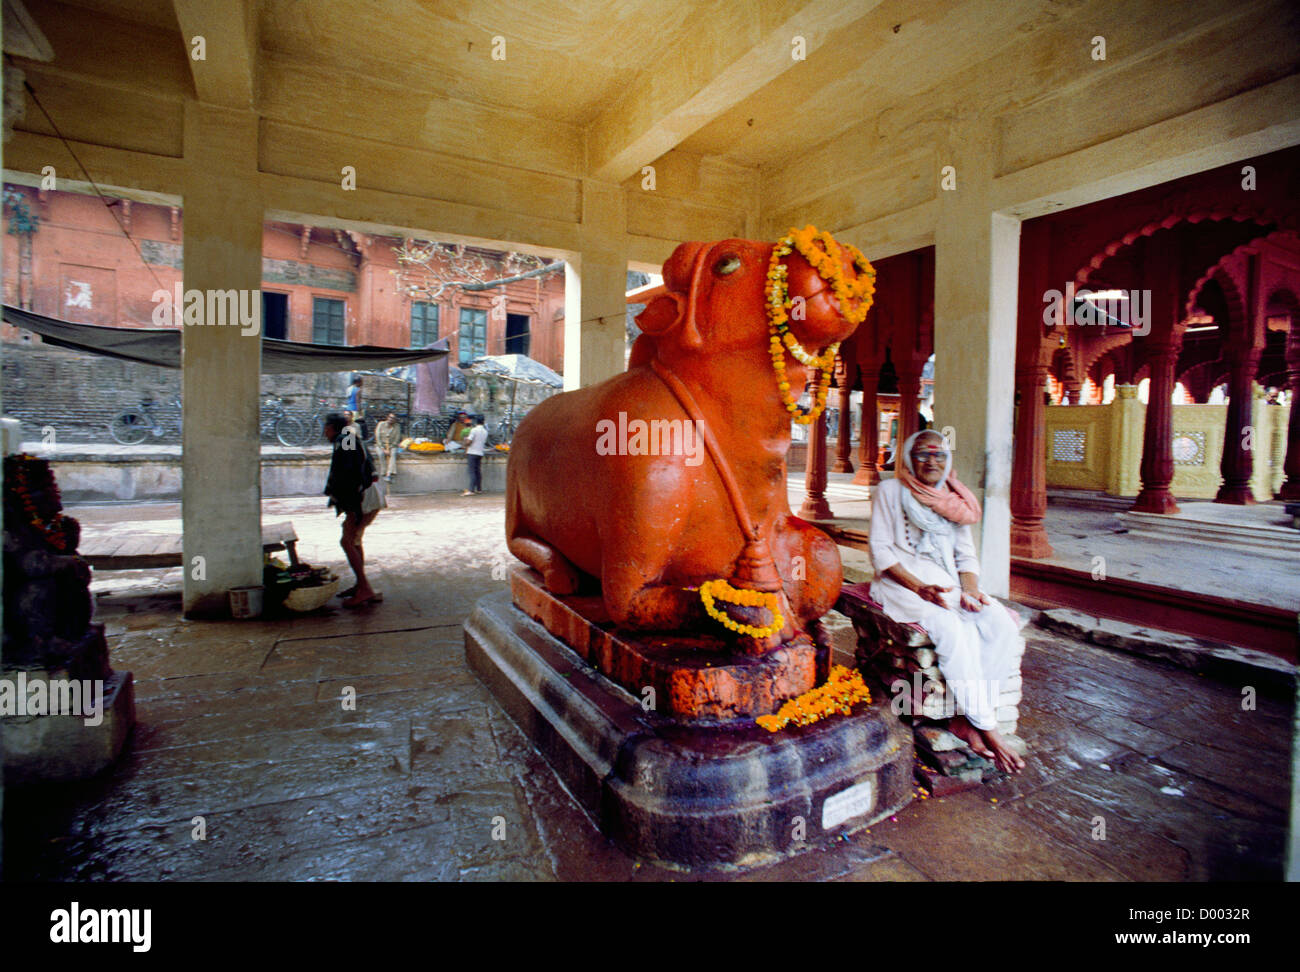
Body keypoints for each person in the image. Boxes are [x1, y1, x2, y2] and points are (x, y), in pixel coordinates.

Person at [867, 429, 1026, 774]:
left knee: (999, 624)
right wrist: (919, 587)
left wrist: (970, 590)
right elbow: (879, 550)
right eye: (923, 454)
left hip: (947, 584)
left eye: (939, 455)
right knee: (952, 628)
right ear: (909, 458)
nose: (932, 461)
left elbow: (966, 557)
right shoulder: (890, 491)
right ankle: (987, 728)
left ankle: (967, 719)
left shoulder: (954, 499)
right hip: (902, 583)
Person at [322, 412, 383, 608]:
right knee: (354, 539)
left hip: (361, 495)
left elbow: (349, 471)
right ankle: (361, 586)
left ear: (332, 428)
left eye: (326, 427)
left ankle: (365, 589)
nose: (324, 432)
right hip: (365, 493)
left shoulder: (346, 438)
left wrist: (350, 507)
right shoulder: (348, 437)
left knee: (347, 541)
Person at [461, 413, 488, 496]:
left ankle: (471, 490)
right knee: (478, 471)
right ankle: (479, 489)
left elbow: (469, 441)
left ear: (476, 421)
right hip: (480, 452)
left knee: (472, 471)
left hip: (472, 452)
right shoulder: (485, 431)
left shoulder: (474, 430)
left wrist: (465, 443)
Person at [374, 411, 401, 481]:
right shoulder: (380, 424)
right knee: (381, 454)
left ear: (395, 420)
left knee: (393, 454)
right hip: (381, 445)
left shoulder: (397, 426)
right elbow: (377, 438)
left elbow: (397, 439)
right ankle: (384, 473)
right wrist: (384, 449)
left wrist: (390, 448)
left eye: (393, 418)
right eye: (390, 417)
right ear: (387, 417)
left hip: (392, 445)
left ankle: (390, 473)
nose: (391, 419)